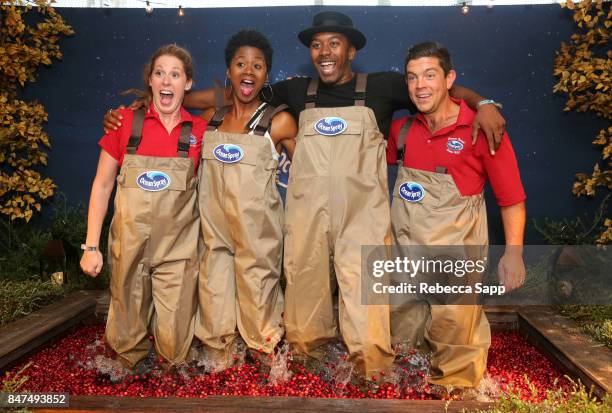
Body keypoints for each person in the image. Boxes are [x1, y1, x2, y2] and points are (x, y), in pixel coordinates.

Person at [102, 11, 507, 380]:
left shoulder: (383, 86)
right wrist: (156, 103)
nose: (324, 52)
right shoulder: (296, 92)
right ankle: (309, 373)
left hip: (361, 219)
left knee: (366, 303)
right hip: (309, 219)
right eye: (317, 45)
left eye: (334, 43)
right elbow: (233, 95)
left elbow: (432, 90)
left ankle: (374, 375)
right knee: (305, 301)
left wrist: (482, 102)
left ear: (351, 50)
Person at [386, 41, 526, 389]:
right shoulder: (400, 131)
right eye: (413, 77)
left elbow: (511, 199)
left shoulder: (481, 130)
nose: (421, 85)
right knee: (402, 343)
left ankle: (457, 395)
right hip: (406, 260)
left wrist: (513, 253)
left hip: (457, 260)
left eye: (430, 75)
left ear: (449, 79)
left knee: (456, 340)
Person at [81, 44, 205, 369]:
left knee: (176, 347)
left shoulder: (201, 133)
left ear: (187, 83)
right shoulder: (124, 123)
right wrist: (91, 246)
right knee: (125, 341)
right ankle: (127, 375)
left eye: (175, 74)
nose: (167, 81)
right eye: (160, 73)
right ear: (150, 80)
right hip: (129, 248)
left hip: (178, 253)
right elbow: (102, 185)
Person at [195, 30, 297, 371]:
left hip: (258, 240)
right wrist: (140, 103)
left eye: (257, 65)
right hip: (215, 237)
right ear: (229, 69)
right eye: (241, 64)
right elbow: (174, 100)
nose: (248, 71)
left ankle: (267, 357)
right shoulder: (212, 118)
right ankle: (218, 356)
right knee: (213, 292)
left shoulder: (278, 121)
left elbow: (308, 177)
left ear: (267, 73)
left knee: (258, 298)